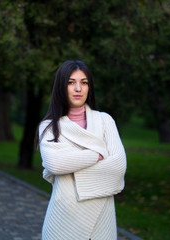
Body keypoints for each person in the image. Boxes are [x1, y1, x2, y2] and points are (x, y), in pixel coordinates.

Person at [38, 60, 127, 240]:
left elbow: (117, 167)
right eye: (71, 82)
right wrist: (99, 154)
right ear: (61, 87)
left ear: (89, 87)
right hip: (62, 218)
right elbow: (55, 164)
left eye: (84, 82)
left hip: (102, 220)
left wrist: (71, 170)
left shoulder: (105, 121)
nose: (78, 88)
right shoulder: (49, 127)